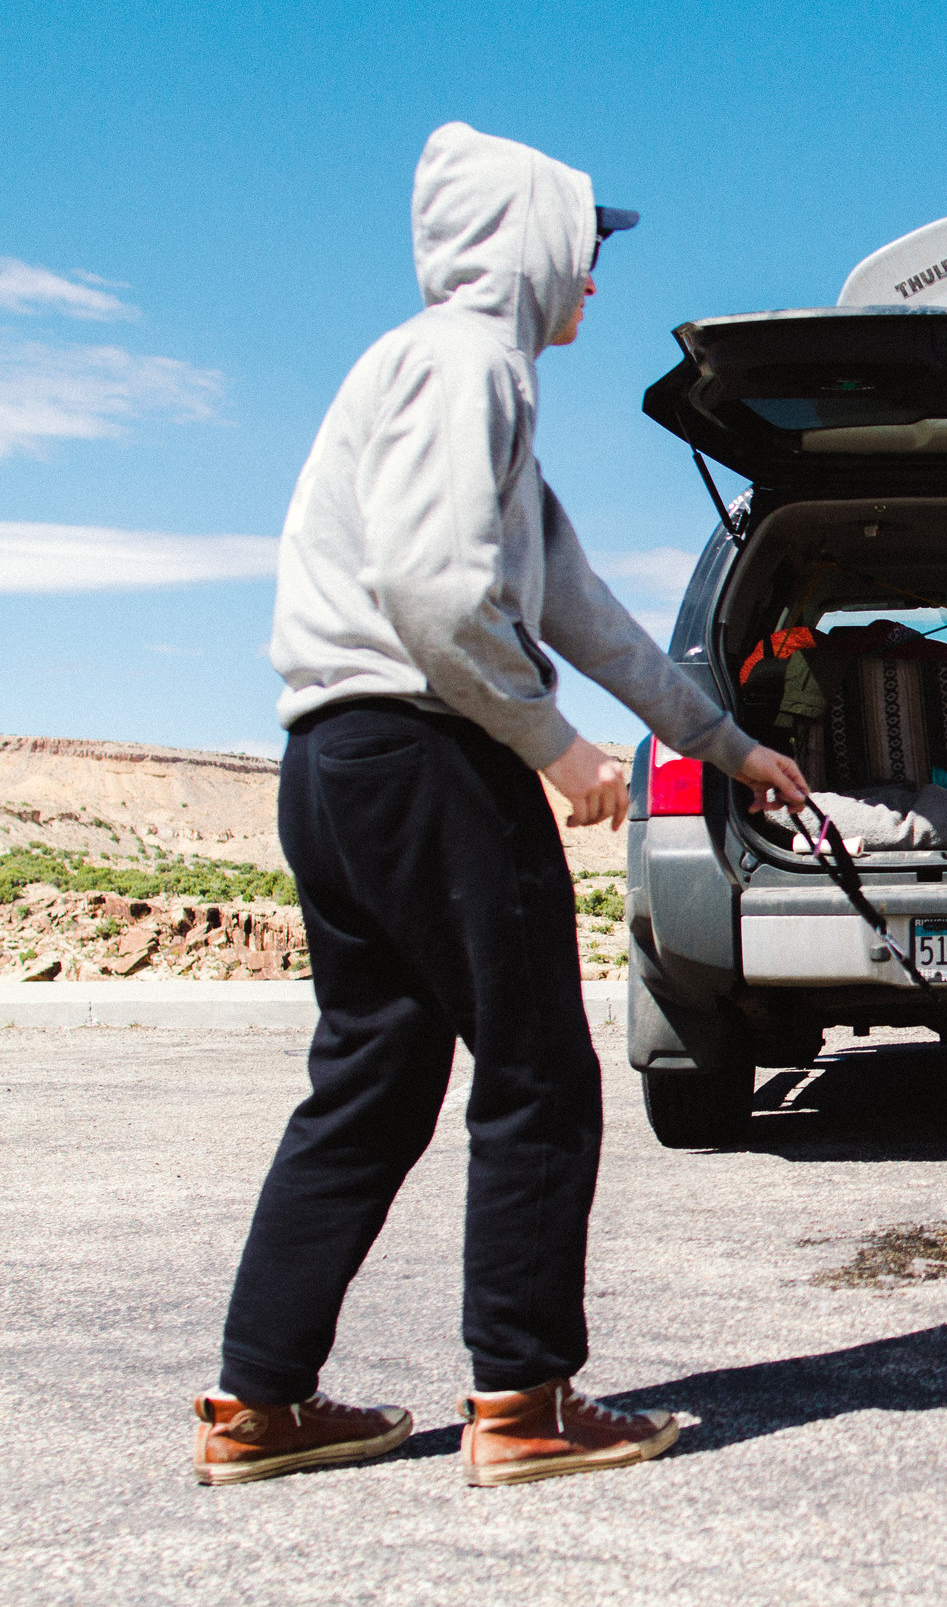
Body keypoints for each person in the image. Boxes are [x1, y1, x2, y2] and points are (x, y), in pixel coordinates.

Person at [191, 122, 809, 1488]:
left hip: (341, 763)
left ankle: (260, 1404)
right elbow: (436, 592)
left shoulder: (470, 386)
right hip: (426, 756)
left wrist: (720, 744)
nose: (597, 277)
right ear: (532, 242)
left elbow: (576, 606)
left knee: (372, 1081)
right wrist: (551, 748)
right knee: (536, 1074)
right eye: (589, 248)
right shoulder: (464, 365)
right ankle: (522, 1407)